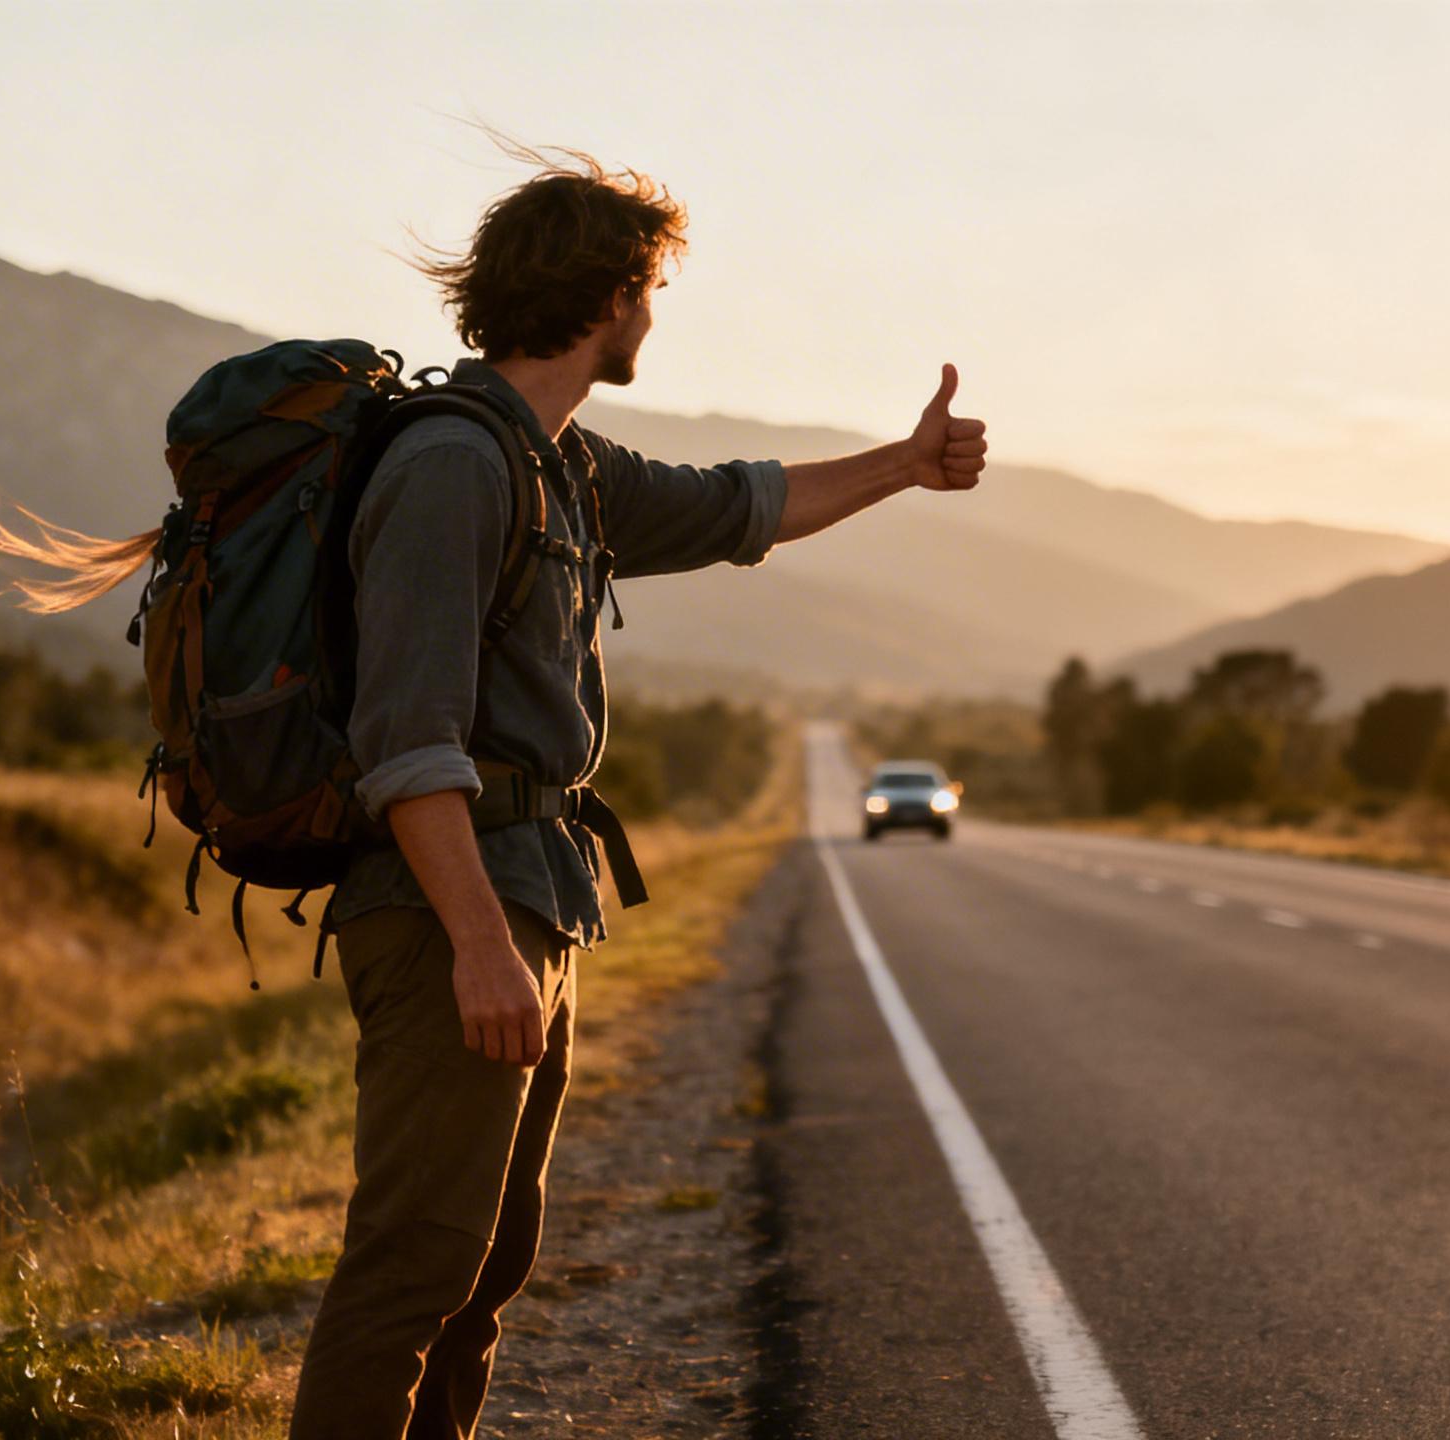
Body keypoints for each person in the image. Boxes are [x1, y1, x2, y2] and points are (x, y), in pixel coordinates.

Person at [286, 145, 988, 1439]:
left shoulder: (566, 465)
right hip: (456, 913)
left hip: (526, 896)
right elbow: (406, 740)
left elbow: (742, 507)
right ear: (609, 297)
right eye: (651, 288)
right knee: (412, 1266)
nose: (655, 313)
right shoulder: (453, 466)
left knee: (483, 1271)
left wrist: (905, 461)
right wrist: (483, 950)